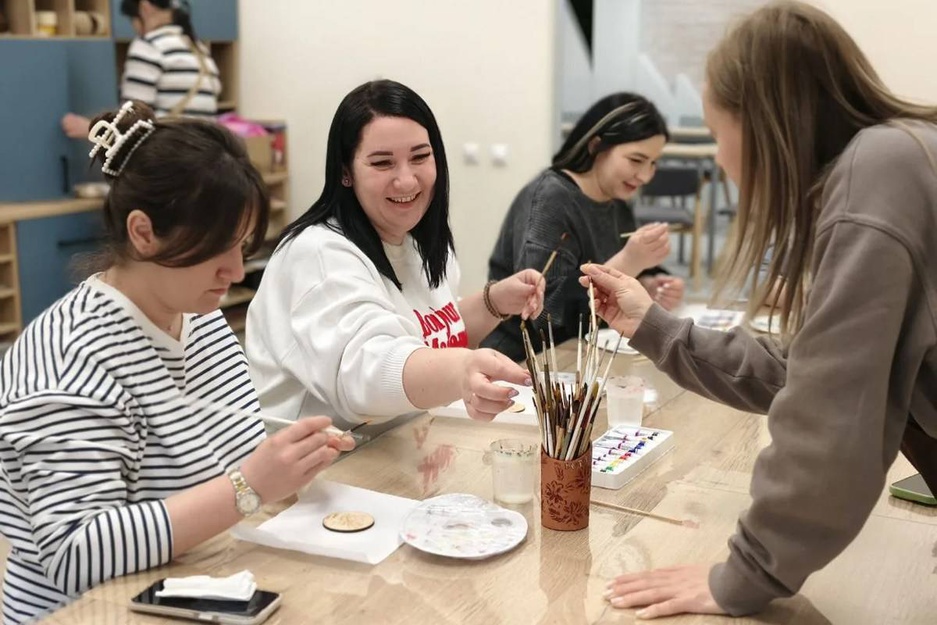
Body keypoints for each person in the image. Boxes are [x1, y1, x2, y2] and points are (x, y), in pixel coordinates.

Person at [583, 0, 937, 618]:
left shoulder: (880, 172)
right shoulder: (893, 158)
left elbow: (831, 418)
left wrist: (744, 575)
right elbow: (803, 373)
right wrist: (651, 324)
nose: (718, 158)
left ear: (771, 122)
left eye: (719, 134)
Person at [0, 101, 353, 625]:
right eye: (219, 249)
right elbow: (73, 552)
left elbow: (234, 453)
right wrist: (251, 486)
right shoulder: (66, 358)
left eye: (242, 245)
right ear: (143, 233)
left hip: (197, 585)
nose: (236, 270)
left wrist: (288, 462)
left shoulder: (198, 315)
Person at [246, 79, 544, 427]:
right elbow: (366, 371)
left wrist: (495, 302)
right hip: (326, 464)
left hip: (404, 446)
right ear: (346, 172)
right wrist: (462, 370)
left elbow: (426, 333)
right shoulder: (318, 254)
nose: (407, 181)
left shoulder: (419, 242)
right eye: (383, 163)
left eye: (420, 157)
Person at [483, 93, 685, 362]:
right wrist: (629, 261)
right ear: (596, 146)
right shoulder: (550, 198)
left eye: (653, 163)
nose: (645, 175)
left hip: (588, 357)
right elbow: (543, 313)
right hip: (527, 362)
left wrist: (648, 281)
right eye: (636, 160)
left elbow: (619, 268)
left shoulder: (617, 201)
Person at [61, 0, 221, 138]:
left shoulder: (149, 45)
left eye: (132, 19)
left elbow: (132, 123)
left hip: (170, 162)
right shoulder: (200, 50)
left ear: (145, 7)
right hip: (204, 159)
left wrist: (90, 129)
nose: (134, 27)